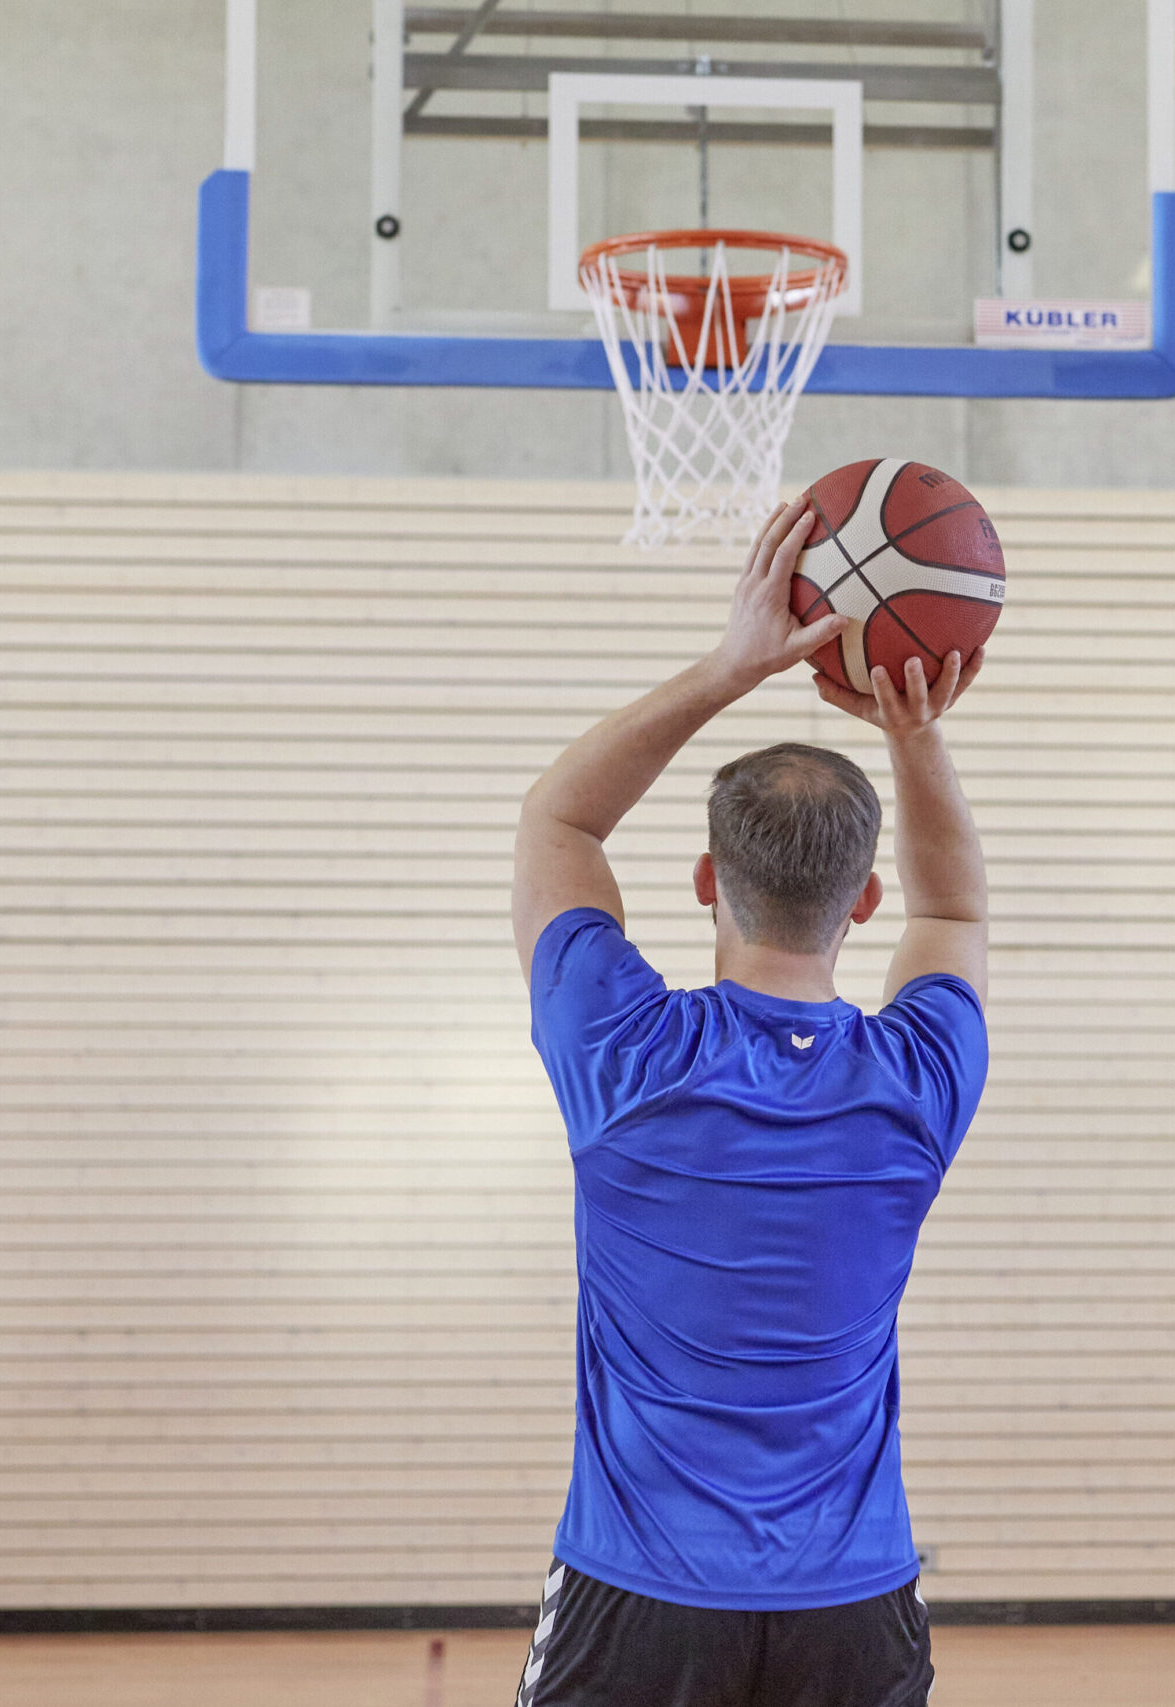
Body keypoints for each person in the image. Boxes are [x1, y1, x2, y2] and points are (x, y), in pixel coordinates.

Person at [507, 500, 988, 1707]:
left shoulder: (623, 1054)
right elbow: (955, 911)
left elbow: (558, 818)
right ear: (865, 898)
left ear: (705, 881)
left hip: (640, 1600)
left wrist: (732, 666)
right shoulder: (917, 1082)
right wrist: (915, 731)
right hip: (854, 1609)